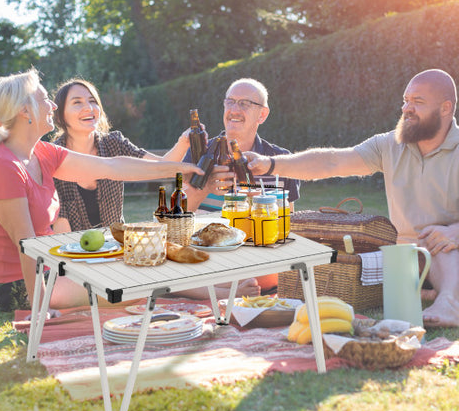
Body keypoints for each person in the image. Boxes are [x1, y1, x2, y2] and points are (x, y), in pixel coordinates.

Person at [247, 68, 459, 327]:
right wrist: (270, 164)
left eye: (418, 102)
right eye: (405, 100)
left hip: (449, 253)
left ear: (446, 108)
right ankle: (428, 292)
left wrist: (455, 232)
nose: (407, 108)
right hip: (402, 258)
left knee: (443, 244)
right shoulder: (389, 144)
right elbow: (333, 162)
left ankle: (449, 302)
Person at [0, 69, 202, 313]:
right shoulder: (2, 165)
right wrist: (40, 306)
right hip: (18, 284)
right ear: (25, 111)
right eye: (45, 99)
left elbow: (111, 166)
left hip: (51, 268)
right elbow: (26, 245)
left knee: (144, 266)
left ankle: (226, 290)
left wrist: (179, 168)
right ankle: (222, 293)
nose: (52, 105)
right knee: (132, 283)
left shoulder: (42, 152)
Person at [179, 78, 301, 299]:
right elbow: (177, 214)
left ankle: (213, 290)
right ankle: (227, 290)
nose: (234, 109)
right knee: (169, 256)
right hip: (209, 251)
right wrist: (204, 187)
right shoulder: (199, 153)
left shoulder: (279, 160)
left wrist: (259, 203)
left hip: (256, 253)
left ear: (262, 115)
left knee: (275, 270)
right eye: (230, 102)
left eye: (244, 104)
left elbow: (287, 229)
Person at [52, 78, 193, 232]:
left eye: (92, 101)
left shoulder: (114, 142)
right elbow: (60, 219)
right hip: (75, 247)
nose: (88, 107)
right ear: (60, 116)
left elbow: (163, 166)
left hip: (115, 243)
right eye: (77, 102)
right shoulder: (53, 157)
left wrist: (184, 141)